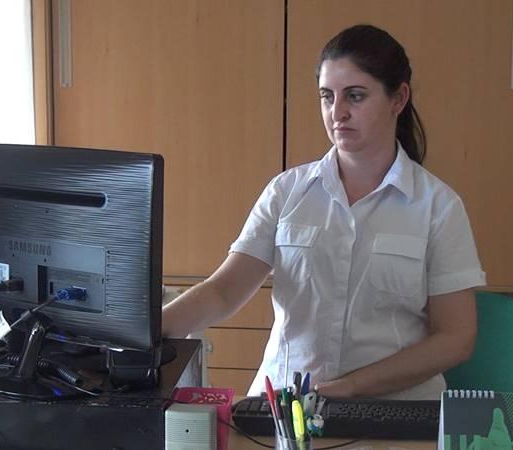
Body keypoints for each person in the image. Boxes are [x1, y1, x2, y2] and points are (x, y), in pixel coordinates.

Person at [162, 24, 486, 400]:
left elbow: (455, 338)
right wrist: (144, 332)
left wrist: (351, 387)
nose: (338, 112)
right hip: (287, 405)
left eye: (355, 96)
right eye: (327, 97)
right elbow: (223, 292)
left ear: (398, 99)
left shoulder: (438, 206)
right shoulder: (287, 191)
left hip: (393, 408)